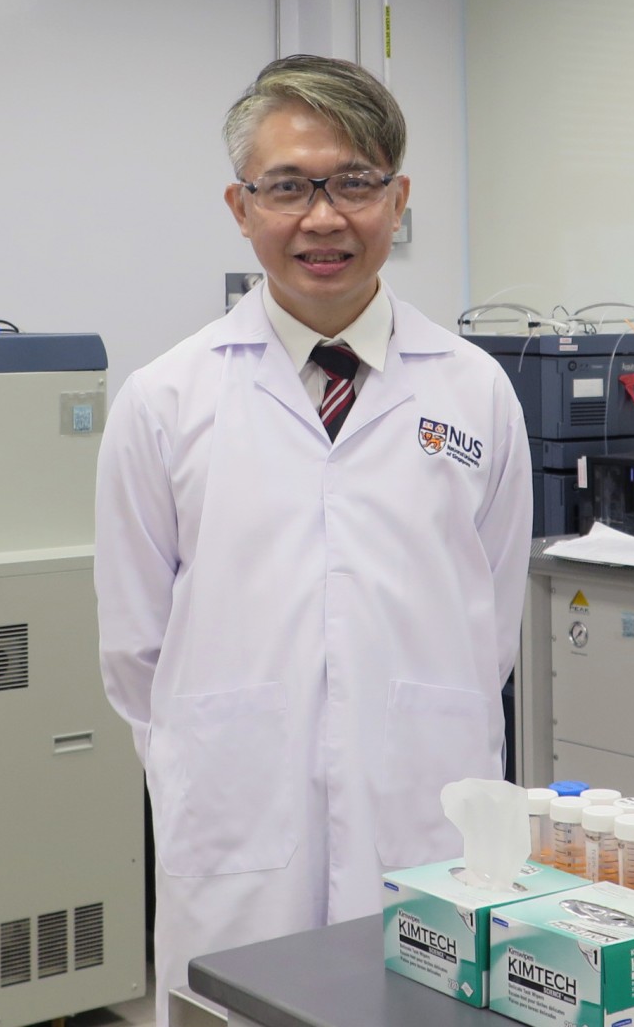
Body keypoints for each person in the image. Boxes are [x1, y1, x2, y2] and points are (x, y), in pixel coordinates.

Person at [95, 54, 531, 1021]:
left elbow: (490, 619)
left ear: (399, 198)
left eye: (355, 183)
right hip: (237, 814)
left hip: (425, 809)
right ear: (240, 206)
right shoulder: (166, 399)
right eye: (288, 186)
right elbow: (134, 651)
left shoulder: (471, 389)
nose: (323, 218)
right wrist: (212, 755)